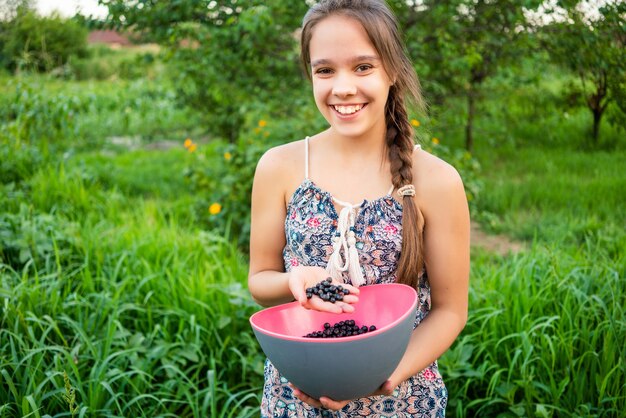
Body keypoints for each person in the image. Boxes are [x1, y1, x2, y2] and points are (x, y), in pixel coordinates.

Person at [247, 0, 470, 416]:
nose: (343, 87)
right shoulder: (279, 166)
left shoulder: (437, 181)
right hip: (295, 396)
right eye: (325, 70)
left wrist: (377, 378)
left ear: (393, 70)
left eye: (363, 67)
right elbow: (259, 280)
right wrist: (294, 279)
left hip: (401, 399)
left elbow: (451, 311)